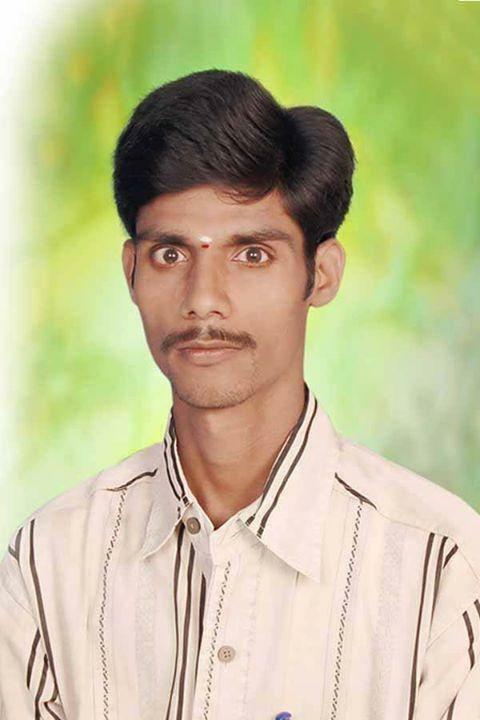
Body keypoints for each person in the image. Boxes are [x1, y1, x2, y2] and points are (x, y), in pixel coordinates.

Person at [0, 69, 479, 720]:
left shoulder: (441, 568)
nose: (203, 299)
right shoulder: (50, 564)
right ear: (132, 272)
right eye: (171, 254)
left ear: (321, 274)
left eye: (250, 254)